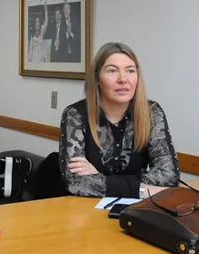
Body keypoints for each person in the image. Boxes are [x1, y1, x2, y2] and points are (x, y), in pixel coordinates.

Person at [59, 42, 180, 198]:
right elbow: (75, 182)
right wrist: (142, 190)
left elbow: (169, 175)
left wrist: (100, 178)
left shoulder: (152, 112)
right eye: (112, 71)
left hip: (137, 211)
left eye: (130, 71)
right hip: (84, 211)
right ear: (97, 78)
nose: (123, 79)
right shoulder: (75, 115)